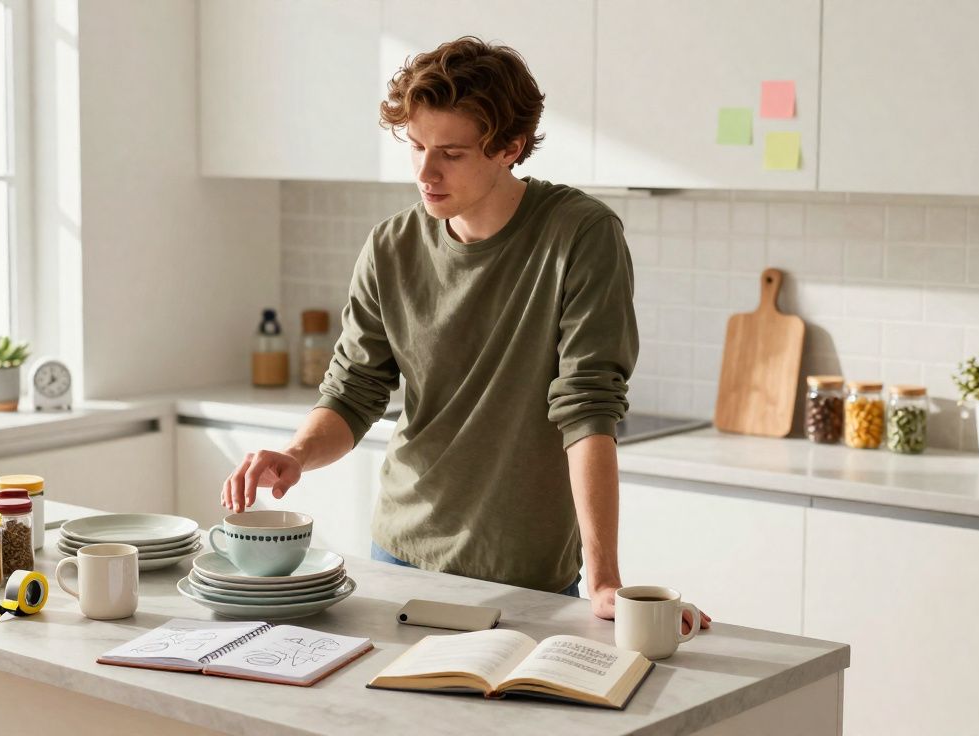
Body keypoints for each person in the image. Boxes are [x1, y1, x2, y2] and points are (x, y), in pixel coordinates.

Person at [221, 36, 709, 633]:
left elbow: (588, 407)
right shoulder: (390, 247)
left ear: (510, 147)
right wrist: (295, 454)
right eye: (417, 146)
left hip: (526, 569)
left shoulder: (580, 236)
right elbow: (353, 392)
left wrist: (605, 578)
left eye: (451, 153)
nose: (426, 172)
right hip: (400, 556)